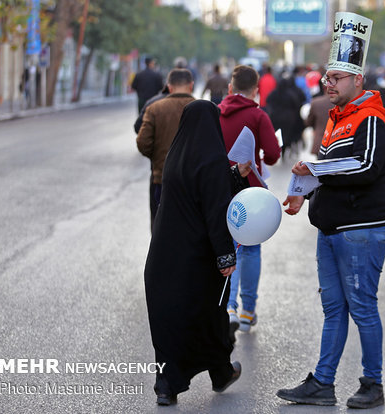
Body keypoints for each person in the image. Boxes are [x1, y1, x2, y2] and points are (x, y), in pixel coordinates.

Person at [278, 68, 385, 408]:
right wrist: (306, 190)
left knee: (362, 307)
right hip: (330, 229)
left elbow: (369, 167)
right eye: (327, 78)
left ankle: (373, 383)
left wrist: (317, 171)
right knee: (333, 309)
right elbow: (331, 171)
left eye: (337, 78)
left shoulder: (370, 118)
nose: (328, 84)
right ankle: (323, 383)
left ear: (358, 81)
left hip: (359, 230)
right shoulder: (335, 117)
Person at [143, 100, 248, 406]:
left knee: (169, 322)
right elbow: (215, 210)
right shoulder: (212, 158)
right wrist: (226, 256)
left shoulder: (176, 155)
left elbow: (199, 189)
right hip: (195, 260)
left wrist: (232, 174)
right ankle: (220, 371)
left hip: (163, 259)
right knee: (210, 315)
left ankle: (167, 385)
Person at [218, 65, 281, 340]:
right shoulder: (257, 115)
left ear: (230, 88)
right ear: (256, 90)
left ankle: (228, 307)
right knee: (250, 250)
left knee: (225, 248)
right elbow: (274, 154)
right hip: (250, 195)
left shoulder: (214, 112)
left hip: (219, 190)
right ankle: (247, 313)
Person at [136, 69, 195, 231]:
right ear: (191, 86)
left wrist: (157, 157)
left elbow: (142, 142)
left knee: (160, 227)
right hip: (193, 182)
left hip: (161, 178)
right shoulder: (204, 109)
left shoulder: (155, 108)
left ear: (169, 87)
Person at [266, 76, 306, 156]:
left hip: (275, 118)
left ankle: (279, 149)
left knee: (278, 134)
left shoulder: (274, 93)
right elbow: (297, 103)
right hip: (289, 118)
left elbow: (268, 101)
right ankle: (285, 149)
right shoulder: (290, 94)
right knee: (287, 135)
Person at [305, 79, 334, 155]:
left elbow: (308, 122)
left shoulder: (316, 102)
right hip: (336, 142)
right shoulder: (342, 103)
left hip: (320, 142)